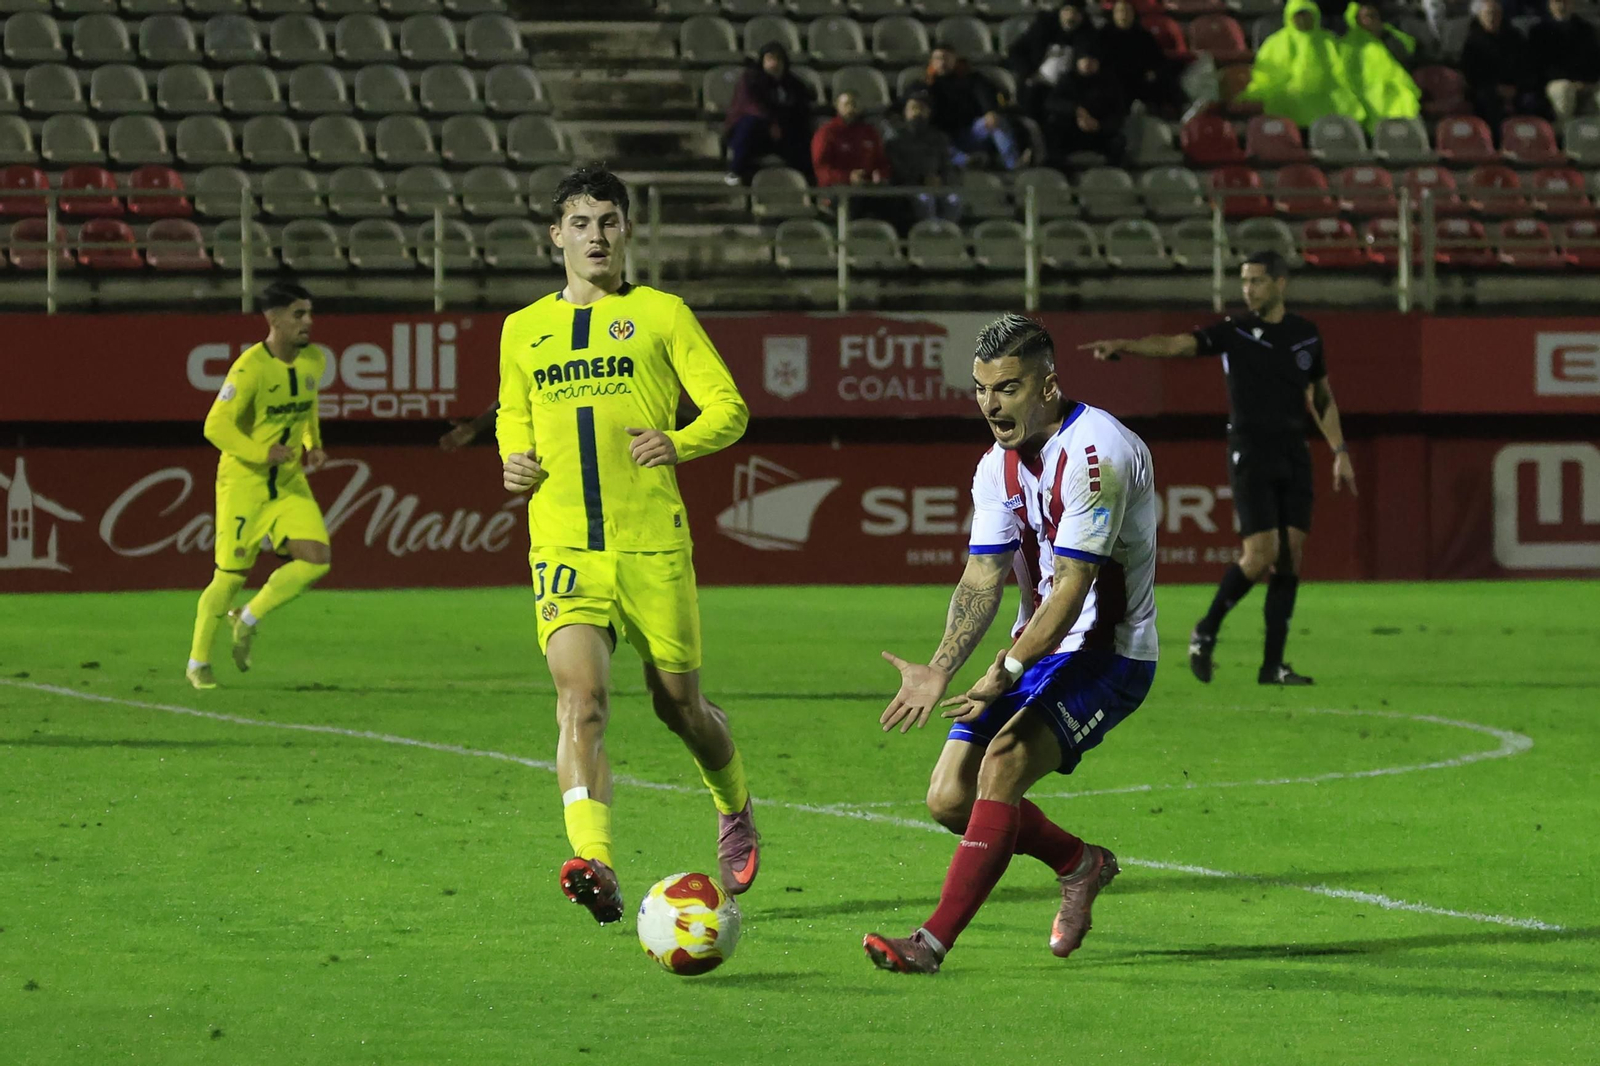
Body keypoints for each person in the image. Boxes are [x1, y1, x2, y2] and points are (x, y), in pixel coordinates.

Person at [496, 166, 759, 924]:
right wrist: (511, 459)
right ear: (557, 236)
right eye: (581, 223)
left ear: (627, 231)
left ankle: (732, 800)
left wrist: (679, 442)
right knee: (579, 700)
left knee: (681, 708)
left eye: (609, 222)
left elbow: (730, 409)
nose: (596, 237)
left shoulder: (663, 314)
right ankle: (595, 861)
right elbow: (515, 416)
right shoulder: (521, 329)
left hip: (651, 543)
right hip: (564, 544)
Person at [864, 313, 1159, 974]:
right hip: (1035, 648)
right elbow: (983, 573)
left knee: (1002, 762)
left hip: (1108, 654)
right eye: (980, 389)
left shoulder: (1095, 454)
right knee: (948, 800)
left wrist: (1009, 667)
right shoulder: (997, 466)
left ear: (1048, 385)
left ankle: (930, 944)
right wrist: (942, 668)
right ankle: (1079, 863)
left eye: (1007, 388)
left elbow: (1074, 588)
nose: (991, 405)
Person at [1081, 251, 1356, 687]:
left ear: (1280, 284)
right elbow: (1177, 344)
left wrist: (1339, 449)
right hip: (1251, 450)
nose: (1248, 289)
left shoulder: (1306, 336)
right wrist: (1126, 346)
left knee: (1291, 556)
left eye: (1257, 281)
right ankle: (1205, 629)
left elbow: (1321, 396)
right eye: (1244, 281)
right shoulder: (1236, 332)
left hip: (1294, 451)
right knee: (1261, 554)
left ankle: (1273, 666)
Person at [186, 281, 331, 690]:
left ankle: (248, 617)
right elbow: (215, 426)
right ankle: (198, 661)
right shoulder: (249, 368)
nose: (308, 322)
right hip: (244, 483)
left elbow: (308, 404)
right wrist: (259, 451)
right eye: (298, 315)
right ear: (274, 320)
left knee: (317, 559)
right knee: (229, 577)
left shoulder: (314, 360)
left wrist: (313, 444)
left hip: (288, 482)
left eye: (309, 313)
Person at [1240, 0, 1366, 129]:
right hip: (1290, 96)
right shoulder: (1275, 42)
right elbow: (1267, 75)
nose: (1303, 19)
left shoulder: (1328, 40)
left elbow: (1342, 70)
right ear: (1290, 16)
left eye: (1307, 15)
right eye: (1298, 15)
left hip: (1327, 94)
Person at [723, 42, 815, 186]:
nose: (775, 63)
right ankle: (735, 171)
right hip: (756, 132)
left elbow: (801, 106)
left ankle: (809, 179)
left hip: (782, 133)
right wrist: (770, 123)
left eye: (779, 59)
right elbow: (751, 106)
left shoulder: (792, 83)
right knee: (749, 124)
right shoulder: (750, 79)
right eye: (770, 59)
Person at [926, 47, 1024, 170]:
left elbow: (984, 93)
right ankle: (968, 162)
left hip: (971, 132)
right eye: (938, 58)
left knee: (996, 122)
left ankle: (1014, 166)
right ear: (931, 61)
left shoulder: (971, 78)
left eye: (946, 58)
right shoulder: (926, 85)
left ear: (954, 60)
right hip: (944, 138)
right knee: (935, 140)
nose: (942, 62)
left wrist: (990, 111)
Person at [1007, 0, 1099, 122]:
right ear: (1060, 12)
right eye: (1067, 11)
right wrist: (1028, 73)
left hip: (1067, 91)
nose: (1071, 17)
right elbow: (1015, 51)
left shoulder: (1089, 35)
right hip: (1036, 86)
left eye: (1076, 13)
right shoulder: (1042, 28)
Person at [1461, 0, 1545, 131]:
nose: (1491, 18)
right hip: (1487, 90)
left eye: (1495, 14)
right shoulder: (1473, 43)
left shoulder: (1515, 38)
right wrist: (1496, 88)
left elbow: (1526, 67)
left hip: (1516, 89)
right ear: (1480, 17)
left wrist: (1516, 88)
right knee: (1487, 103)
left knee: (1532, 101)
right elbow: (1471, 74)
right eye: (1488, 14)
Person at [1340, 2, 1422, 131]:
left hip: (1398, 95)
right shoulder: (1350, 43)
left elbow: (1407, 50)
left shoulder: (1388, 33)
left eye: (1374, 16)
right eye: (1366, 16)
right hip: (1369, 98)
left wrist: (1384, 35)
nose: (1370, 20)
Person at [886, 91, 963, 224]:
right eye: (913, 108)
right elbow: (896, 167)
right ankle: (930, 237)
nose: (917, 112)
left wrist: (941, 179)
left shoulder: (939, 138)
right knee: (925, 200)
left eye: (921, 108)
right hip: (909, 187)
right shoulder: (895, 138)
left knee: (954, 200)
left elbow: (947, 165)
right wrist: (921, 179)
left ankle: (946, 236)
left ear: (928, 112)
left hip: (937, 185)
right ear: (905, 112)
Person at [811, 90, 891, 215]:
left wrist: (880, 175)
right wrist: (848, 177)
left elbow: (881, 161)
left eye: (854, 104)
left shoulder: (870, 132)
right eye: (846, 104)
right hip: (836, 190)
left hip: (868, 188)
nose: (851, 108)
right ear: (837, 106)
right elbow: (821, 170)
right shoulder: (826, 133)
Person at [1043, 49, 1127, 165]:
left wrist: (1099, 125)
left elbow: (1118, 114)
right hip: (1071, 131)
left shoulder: (1109, 82)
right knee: (1052, 133)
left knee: (1118, 142)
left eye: (1092, 60)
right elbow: (1051, 102)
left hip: (1099, 132)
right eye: (1084, 59)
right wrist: (1076, 110)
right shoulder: (1068, 79)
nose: (1087, 63)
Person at [1098, 0, 1181, 116]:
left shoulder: (1144, 35)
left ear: (1133, 14)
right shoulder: (1103, 36)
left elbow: (1158, 60)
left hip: (1141, 81)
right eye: (1120, 11)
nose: (1123, 15)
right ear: (1113, 14)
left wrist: (1154, 71)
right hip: (1115, 83)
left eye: (1127, 11)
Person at [1529, 0, 1600, 122]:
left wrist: (1587, 82)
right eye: (1557, 2)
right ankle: (1563, 137)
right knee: (1565, 90)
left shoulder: (1586, 30)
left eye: (1566, 2)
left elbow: (1594, 61)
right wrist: (1572, 82)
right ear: (1550, 5)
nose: (1562, 6)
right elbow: (1541, 66)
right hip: (1556, 83)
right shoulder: (1539, 31)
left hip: (1585, 84)